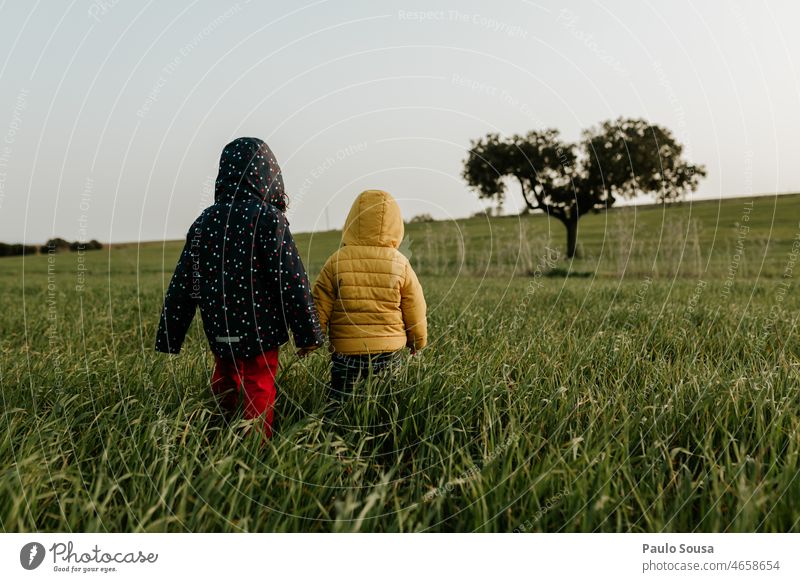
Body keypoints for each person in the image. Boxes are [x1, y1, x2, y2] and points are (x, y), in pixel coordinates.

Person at [155, 137, 323, 438]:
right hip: (260, 331)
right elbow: (292, 281)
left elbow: (185, 283)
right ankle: (254, 446)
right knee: (258, 381)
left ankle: (219, 430)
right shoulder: (269, 220)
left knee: (227, 376)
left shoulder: (204, 221)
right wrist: (307, 334)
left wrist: (170, 335)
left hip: (219, 327)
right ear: (270, 179)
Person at [312, 189, 427, 398]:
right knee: (387, 399)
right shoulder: (401, 263)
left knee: (341, 398)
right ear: (396, 225)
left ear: (352, 221)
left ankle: (336, 428)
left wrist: (312, 339)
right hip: (389, 349)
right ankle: (384, 427)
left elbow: (320, 301)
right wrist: (417, 341)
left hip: (346, 350)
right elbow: (414, 305)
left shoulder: (336, 260)